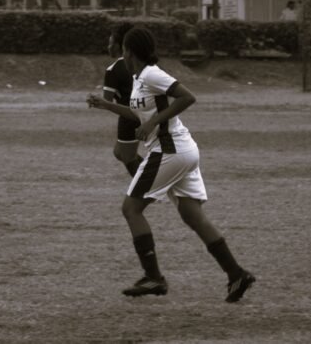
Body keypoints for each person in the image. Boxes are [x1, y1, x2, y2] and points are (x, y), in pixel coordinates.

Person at [86, 26, 257, 302]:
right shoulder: (139, 78)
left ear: (129, 52)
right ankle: (236, 274)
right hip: (181, 150)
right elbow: (139, 114)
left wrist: (154, 122)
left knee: (131, 209)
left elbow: (187, 97)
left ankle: (153, 277)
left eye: (124, 50)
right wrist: (105, 105)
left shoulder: (151, 74)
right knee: (192, 215)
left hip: (170, 150)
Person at [102, 22, 142, 176]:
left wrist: (96, 101)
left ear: (119, 46)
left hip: (128, 116)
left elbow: (106, 100)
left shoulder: (113, 70)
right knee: (119, 152)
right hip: (145, 110)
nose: (108, 47)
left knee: (127, 156)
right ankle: (153, 175)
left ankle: (148, 184)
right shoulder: (139, 63)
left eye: (110, 43)